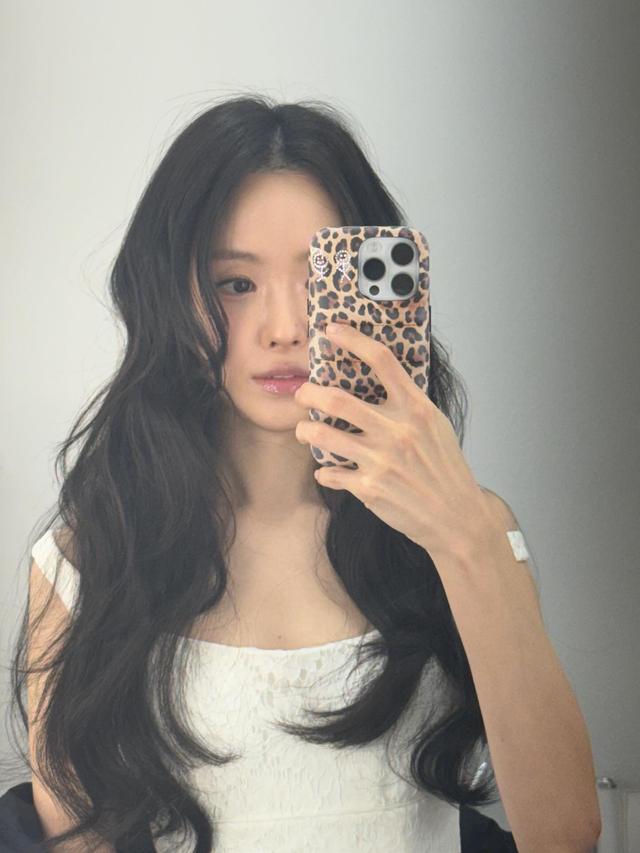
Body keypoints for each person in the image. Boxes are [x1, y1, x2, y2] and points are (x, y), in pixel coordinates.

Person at [5, 94, 537, 852]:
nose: (286, 327)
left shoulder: (470, 532)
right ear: (169, 296)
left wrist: (468, 541)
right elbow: (75, 837)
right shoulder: (85, 563)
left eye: (320, 280)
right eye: (236, 283)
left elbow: (563, 832)